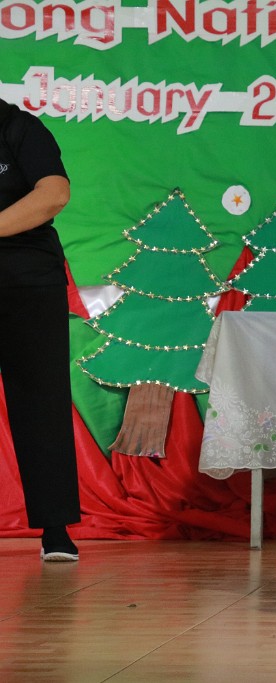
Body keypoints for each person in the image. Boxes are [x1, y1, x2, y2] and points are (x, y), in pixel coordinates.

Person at [0, 97, 81, 562]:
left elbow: (54, 194)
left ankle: (55, 529)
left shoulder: (21, 129)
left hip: (26, 281)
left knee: (40, 402)